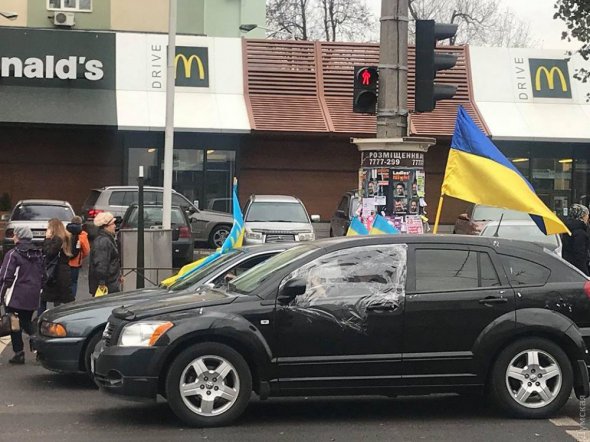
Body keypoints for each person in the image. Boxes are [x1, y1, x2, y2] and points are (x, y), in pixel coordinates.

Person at [0, 226, 44, 364]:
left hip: (15, 295)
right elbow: (44, 275)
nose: (13, 237)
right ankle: (40, 347)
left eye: (14, 235)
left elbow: (6, 276)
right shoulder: (38, 254)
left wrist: (1, 295)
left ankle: (19, 352)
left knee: (14, 324)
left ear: (18, 236)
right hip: (33, 294)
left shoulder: (13, 254)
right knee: (26, 322)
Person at [40, 218, 74, 315]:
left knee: (43, 298)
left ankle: (40, 317)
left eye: (48, 227)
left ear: (53, 228)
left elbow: (49, 253)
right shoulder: (66, 238)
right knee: (60, 297)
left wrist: (47, 239)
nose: (47, 229)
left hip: (55, 272)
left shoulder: (57, 239)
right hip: (63, 271)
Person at [89, 212, 121, 296]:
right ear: (106, 226)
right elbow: (101, 264)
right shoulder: (103, 241)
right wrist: (102, 283)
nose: (115, 226)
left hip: (109, 284)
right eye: (112, 223)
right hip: (107, 287)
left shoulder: (106, 239)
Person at [66, 216, 90, 300]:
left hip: (65, 262)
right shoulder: (82, 235)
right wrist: (80, 256)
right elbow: (86, 250)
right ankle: (71, 299)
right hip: (75, 263)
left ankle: (61, 299)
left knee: (64, 281)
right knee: (73, 282)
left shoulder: (65, 232)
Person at [562, 204, 590, 275]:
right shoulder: (580, 233)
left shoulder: (568, 229)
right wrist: (585, 274)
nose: (588, 217)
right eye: (587, 215)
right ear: (582, 216)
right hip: (579, 271)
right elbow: (580, 256)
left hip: (568, 267)